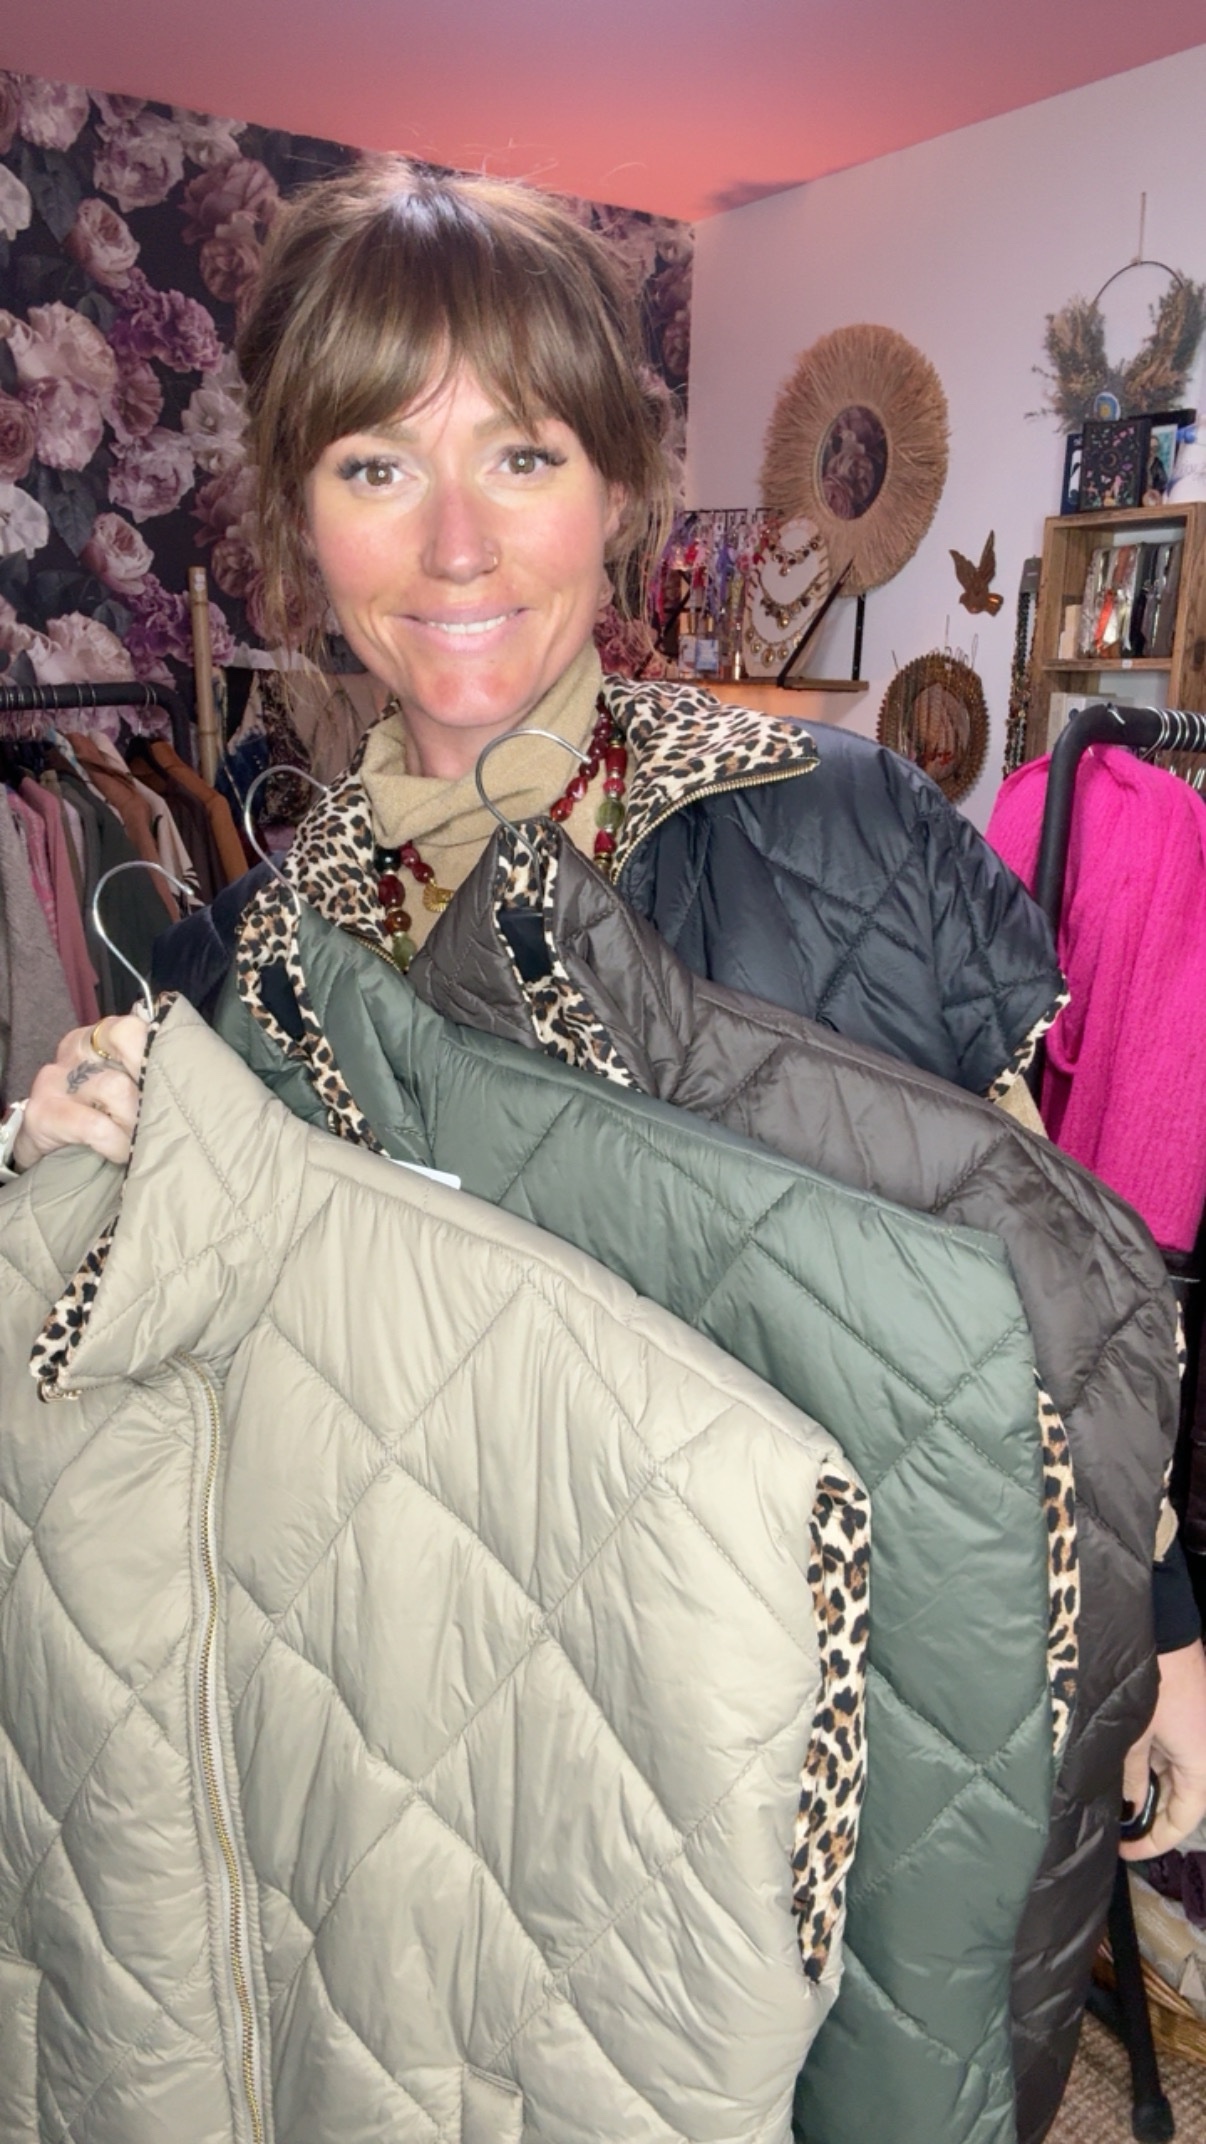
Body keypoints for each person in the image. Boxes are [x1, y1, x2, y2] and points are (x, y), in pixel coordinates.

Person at [3, 159, 1204, 1941]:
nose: (456, 545)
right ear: (299, 519)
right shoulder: (238, 972)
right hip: (428, 1791)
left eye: (521, 455)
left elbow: (1028, 1282)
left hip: (809, 1781)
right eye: (375, 466)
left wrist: (1157, 1628)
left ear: (617, 490)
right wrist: (77, 1157)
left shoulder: (835, 834)